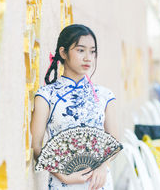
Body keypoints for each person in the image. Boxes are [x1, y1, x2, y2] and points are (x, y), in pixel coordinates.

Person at [31, 24, 119, 190]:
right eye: (80, 50)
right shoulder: (46, 95)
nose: (88, 58)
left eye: (92, 51)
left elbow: (114, 141)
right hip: (62, 183)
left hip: (99, 183)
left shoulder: (105, 96)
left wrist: (102, 166)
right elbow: (36, 146)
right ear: (63, 53)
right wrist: (63, 176)